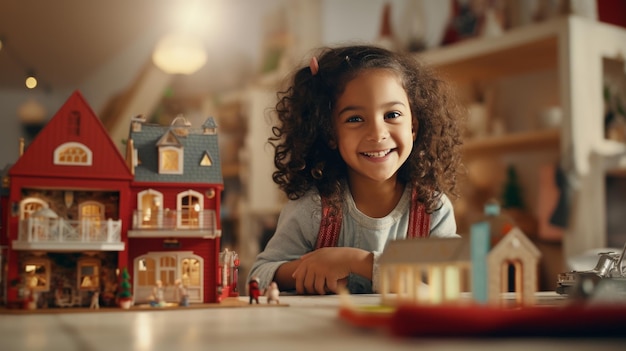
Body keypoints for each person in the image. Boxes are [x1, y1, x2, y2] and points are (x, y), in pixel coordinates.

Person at [248, 44, 464, 295]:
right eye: (355, 119)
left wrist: (355, 262)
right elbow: (259, 277)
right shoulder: (313, 209)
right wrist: (311, 269)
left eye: (392, 114)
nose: (377, 133)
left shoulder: (432, 209)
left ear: (413, 126)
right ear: (331, 133)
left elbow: (452, 282)